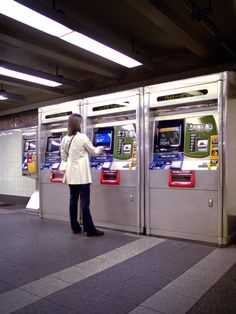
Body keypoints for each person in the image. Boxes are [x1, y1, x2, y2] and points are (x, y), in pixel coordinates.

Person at [60, 113, 104, 237]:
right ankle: (90, 229)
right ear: (78, 123)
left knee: (73, 201)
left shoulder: (64, 139)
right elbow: (93, 151)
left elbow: (63, 157)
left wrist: (73, 157)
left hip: (71, 175)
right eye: (81, 122)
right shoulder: (82, 137)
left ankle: (75, 227)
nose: (82, 124)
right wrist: (100, 148)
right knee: (85, 203)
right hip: (82, 175)